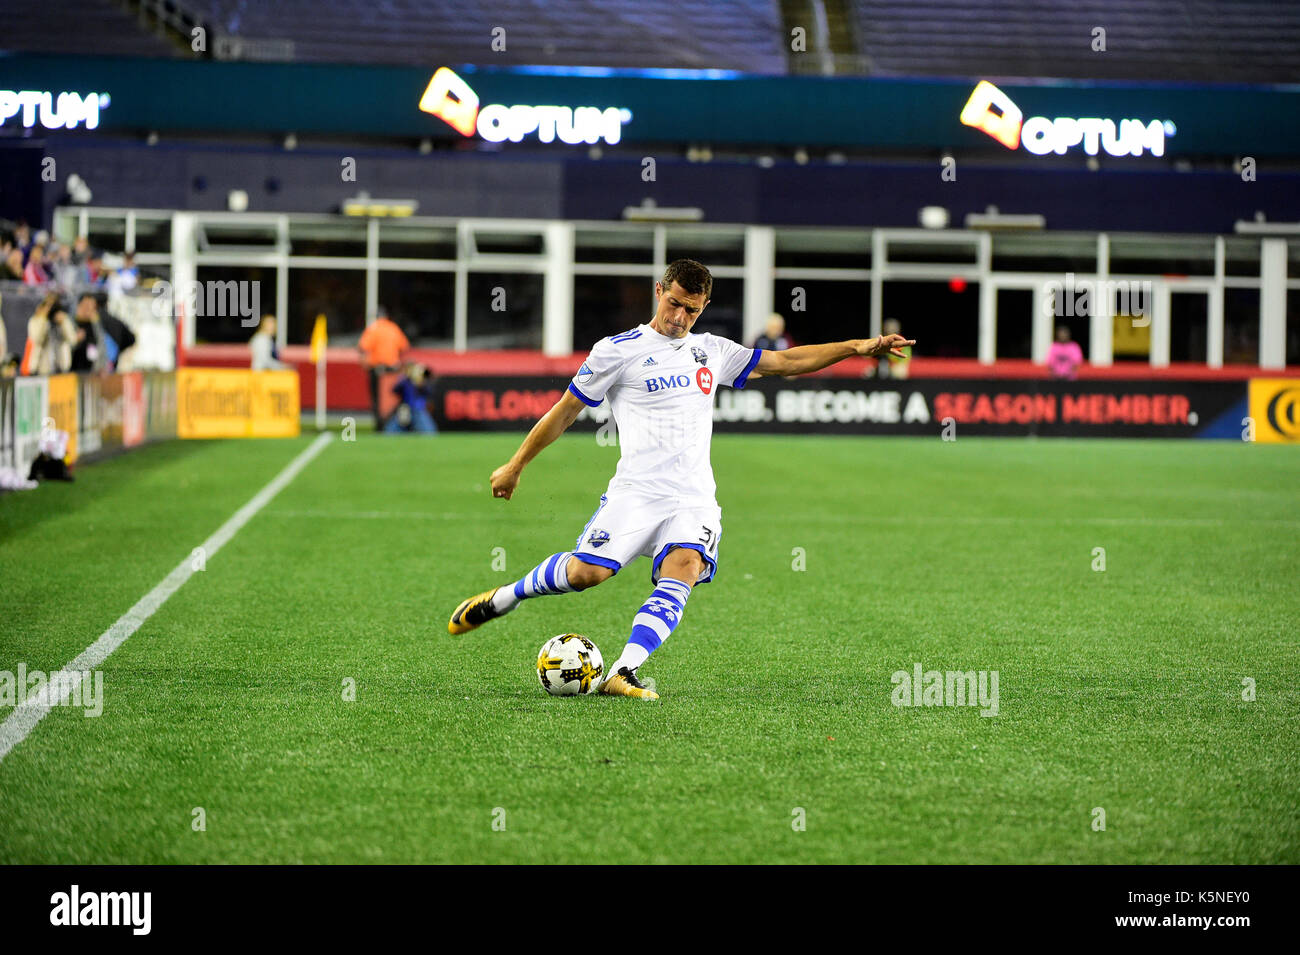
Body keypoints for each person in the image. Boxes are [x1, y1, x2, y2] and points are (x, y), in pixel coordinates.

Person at [447, 259, 913, 699]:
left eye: (691, 309)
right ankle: (505, 597)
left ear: (704, 307)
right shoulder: (617, 350)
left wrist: (860, 346)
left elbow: (786, 363)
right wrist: (515, 464)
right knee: (588, 573)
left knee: (684, 568)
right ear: (659, 292)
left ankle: (622, 671)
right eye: (673, 303)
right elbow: (565, 411)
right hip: (636, 492)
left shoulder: (711, 350)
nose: (679, 316)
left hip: (693, 498)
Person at [357, 307, 410, 430]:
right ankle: (394, 424)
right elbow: (405, 347)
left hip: (378, 370)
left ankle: (380, 425)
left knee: (378, 400)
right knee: (394, 399)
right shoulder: (393, 328)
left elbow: (362, 347)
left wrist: (366, 363)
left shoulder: (374, 328)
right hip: (393, 370)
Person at [384, 362, 437, 433]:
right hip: (405, 409)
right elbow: (395, 390)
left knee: (429, 431)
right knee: (390, 431)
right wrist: (405, 378)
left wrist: (420, 383)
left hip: (418, 410)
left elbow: (429, 393)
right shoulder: (405, 381)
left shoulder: (421, 381)